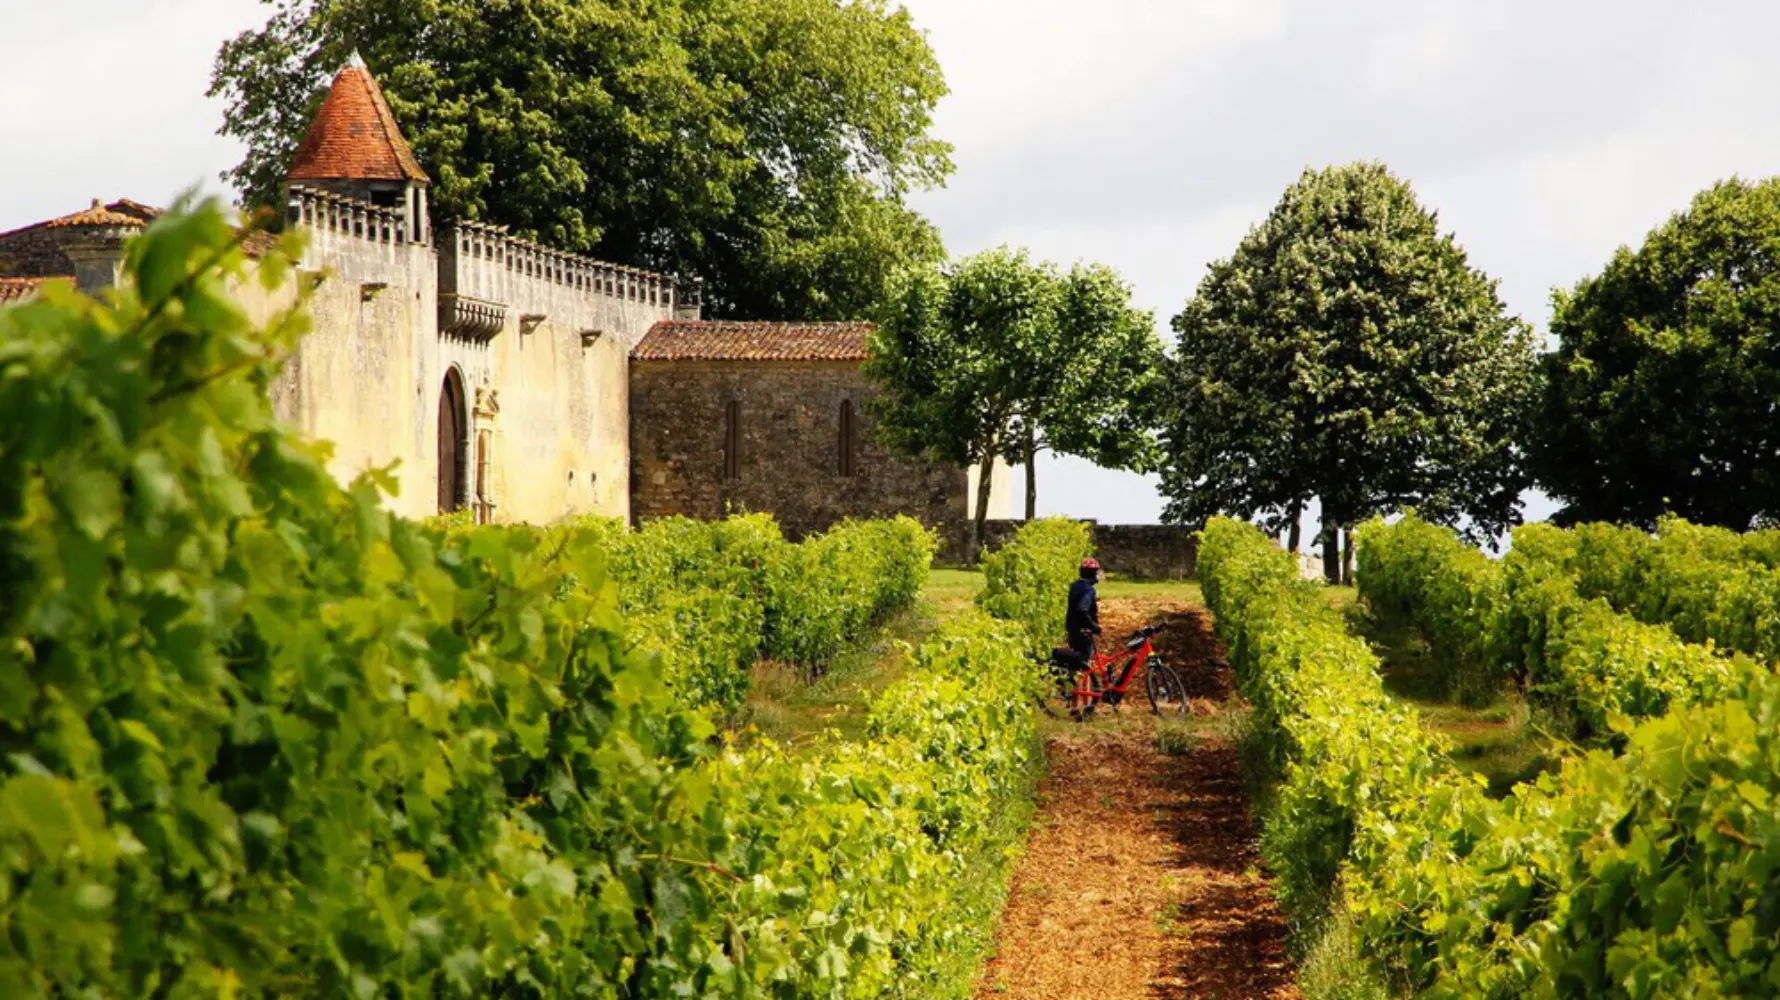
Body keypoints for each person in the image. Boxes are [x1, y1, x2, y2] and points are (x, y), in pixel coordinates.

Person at [1062, 557, 1103, 715]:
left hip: (1072, 631)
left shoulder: (1075, 586)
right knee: (1084, 669)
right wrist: (1093, 626)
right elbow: (1082, 608)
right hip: (1083, 633)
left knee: (1077, 666)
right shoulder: (1088, 590)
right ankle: (1084, 705)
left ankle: (1077, 705)